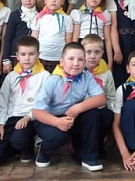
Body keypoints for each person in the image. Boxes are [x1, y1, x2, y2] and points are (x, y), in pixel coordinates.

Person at [31, 42, 107, 171]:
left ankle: (89, 156)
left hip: (72, 115)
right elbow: (36, 111)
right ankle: (44, 152)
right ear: (62, 61)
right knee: (58, 136)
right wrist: (57, 122)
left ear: (85, 62)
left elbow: (101, 98)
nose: (76, 63)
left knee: (94, 113)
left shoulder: (86, 76)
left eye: (80, 60)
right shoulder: (53, 80)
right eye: (71, 59)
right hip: (51, 118)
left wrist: (78, 108)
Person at [0, 37, 49, 166]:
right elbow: (2, 103)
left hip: (31, 118)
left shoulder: (45, 76)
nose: (27, 58)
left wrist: (28, 117)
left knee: (19, 139)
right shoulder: (11, 76)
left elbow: (45, 103)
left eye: (31, 54)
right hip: (12, 118)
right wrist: (0, 125)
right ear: (17, 56)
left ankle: (26, 147)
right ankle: (15, 149)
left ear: (38, 55)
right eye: (23, 54)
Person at [81, 34, 116, 154]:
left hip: (101, 111)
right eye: (88, 52)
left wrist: (114, 119)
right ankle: (83, 147)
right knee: (92, 114)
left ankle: (97, 143)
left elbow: (111, 97)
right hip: (82, 112)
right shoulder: (77, 71)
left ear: (102, 53)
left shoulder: (106, 73)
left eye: (97, 52)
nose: (92, 56)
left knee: (107, 114)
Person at [0, 0, 40, 74]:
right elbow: (8, 38)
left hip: (32, 56)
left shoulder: (41, 15)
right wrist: (6, 60)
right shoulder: (15, 15)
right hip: (16, 56)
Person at [70, 0, 115, 64]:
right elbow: (75, 38)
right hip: (83, 46)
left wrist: (110, 62)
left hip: (99, 46)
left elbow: (107, 39)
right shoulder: (78, 13)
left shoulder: (105, 14)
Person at [31, 0, 74, 70]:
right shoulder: (39, 17)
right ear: (45, 0)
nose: (53, 0)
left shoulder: (67, 18)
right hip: (41, 57)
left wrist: (66, 57)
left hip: (59, 58)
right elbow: (34, 37)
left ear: (63, 1)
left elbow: (68, 40)